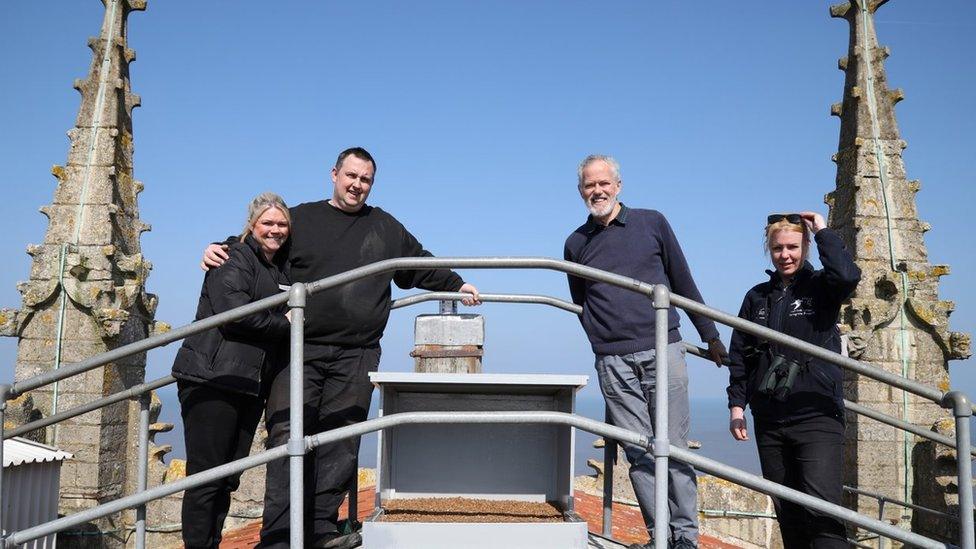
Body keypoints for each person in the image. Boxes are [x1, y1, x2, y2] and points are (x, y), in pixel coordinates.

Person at [202, 147, 480, 549]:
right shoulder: (303, 219)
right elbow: (263, 238)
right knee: (287, 437)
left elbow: (417, 263)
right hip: (298, 349)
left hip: (357, 352)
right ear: (334, 174)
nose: (357, 185)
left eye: (365, 179)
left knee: (341, 442)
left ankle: (320, 530)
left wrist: (456, 284)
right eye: (351, 176)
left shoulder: (384, 226)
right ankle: (279, 537)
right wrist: (220, 248)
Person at [563, 154, 726, 549]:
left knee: (676, 451)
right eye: (589, 185)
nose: (597, 190)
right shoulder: (575, 243)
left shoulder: (652, 222)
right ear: (581, 191)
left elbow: (681, 279)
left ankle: (686, 540)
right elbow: (581, 303)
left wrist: (711, 334)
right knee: (639, 454)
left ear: (618, 186)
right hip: (613, 361)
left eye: (604, 183)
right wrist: (602, 343)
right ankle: (660, 539)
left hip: (663, 349)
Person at [726, 211, 860, 549]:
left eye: (793, 247)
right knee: (788, 512)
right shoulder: (756, 297)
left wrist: (823, 230)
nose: (785, 255)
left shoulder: (821, 289)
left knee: (823, 512)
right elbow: (740, 354)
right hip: (770, 420)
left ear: (805, 248)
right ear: (769, 250)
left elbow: (847, 275)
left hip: (816, 415)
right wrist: (736, 406)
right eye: (777, 248)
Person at [173, 192, 292, 549]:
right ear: (252, 225)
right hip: (212, 380)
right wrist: (287, 322)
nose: (275, 230)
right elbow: (236, 314)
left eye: (282, 224)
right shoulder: (233, 256)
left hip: (244, 384)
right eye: (267, 223)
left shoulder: (276, 266)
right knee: (207, 478)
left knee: (227, 478)